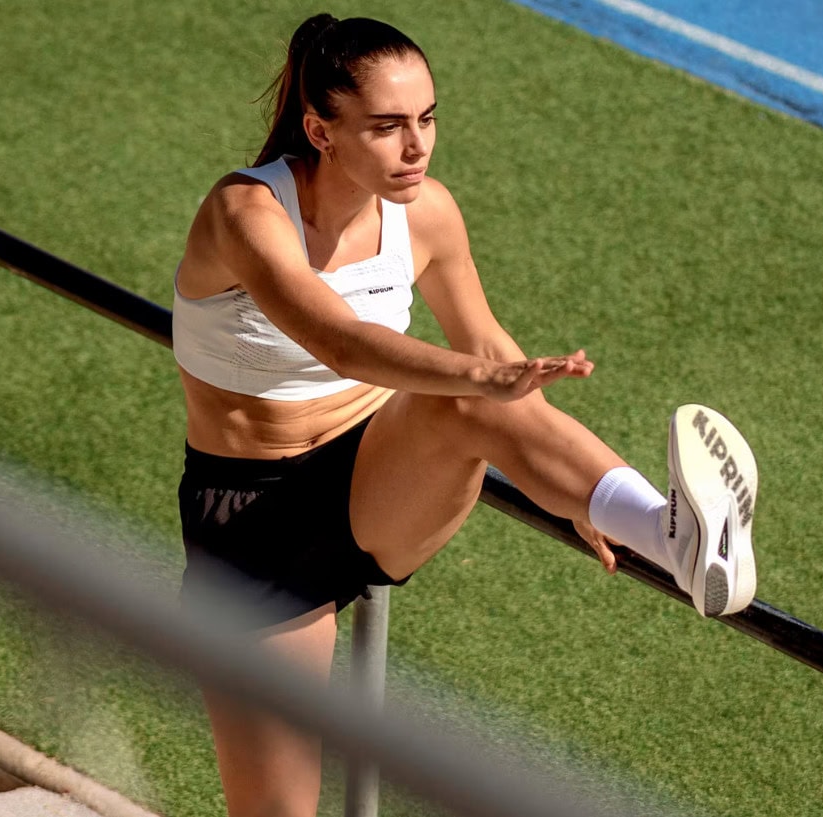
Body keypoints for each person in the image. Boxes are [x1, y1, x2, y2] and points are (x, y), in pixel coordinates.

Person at [172, 13, 758, 817]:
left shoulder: (430, 214)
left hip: (377, 483)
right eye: (387, 126)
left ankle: (669, 535)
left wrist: (582, 493)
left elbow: (494, 356)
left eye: (427, 119)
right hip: (249, 524)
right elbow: (341, 341)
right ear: (321, 128)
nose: (416, 146)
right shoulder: (247, 213)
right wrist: (486, 375)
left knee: (463, 402)